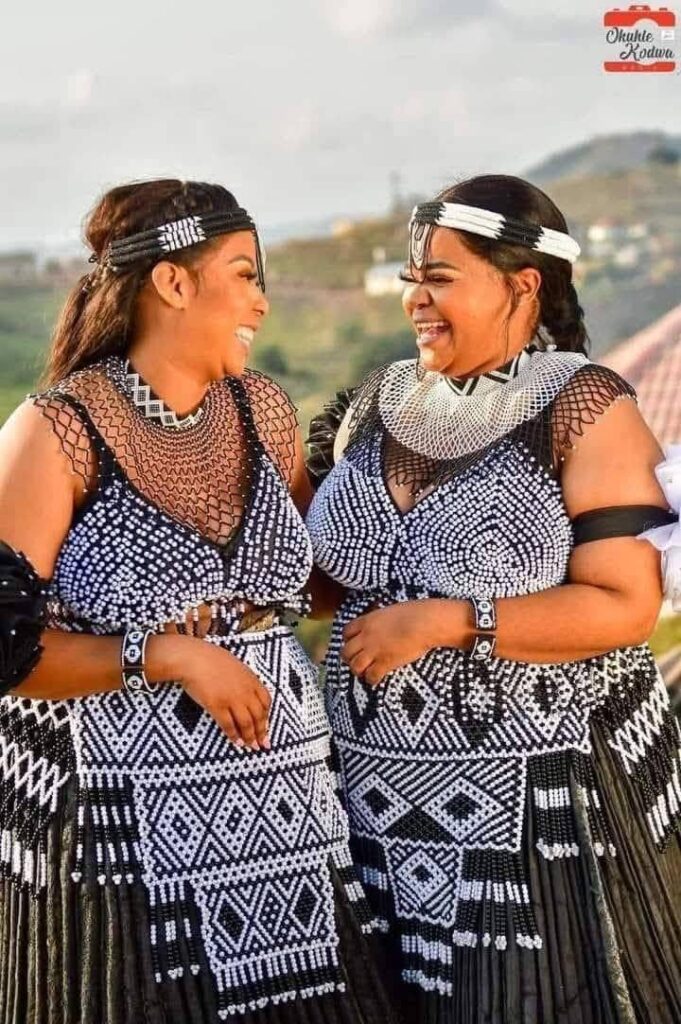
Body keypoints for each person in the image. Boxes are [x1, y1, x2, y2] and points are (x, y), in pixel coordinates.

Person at [0, 179, 397, 1024]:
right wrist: (168, 653)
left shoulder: (263, 412)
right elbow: (7, 652)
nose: (262, 298)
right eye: (245, 273)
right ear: (172, 284)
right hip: (120, 824)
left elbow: (309, 579)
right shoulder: (55, 429)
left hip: (284, 799)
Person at [305, 174, 681, 1024]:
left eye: (439, 276)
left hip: (532, 811)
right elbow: (333, 573)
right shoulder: (377, 401)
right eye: (411, 278)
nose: (415, 298)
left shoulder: (583, 405)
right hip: (370, 808)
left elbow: (624, 605)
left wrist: (446, 622)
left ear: (522, 285)